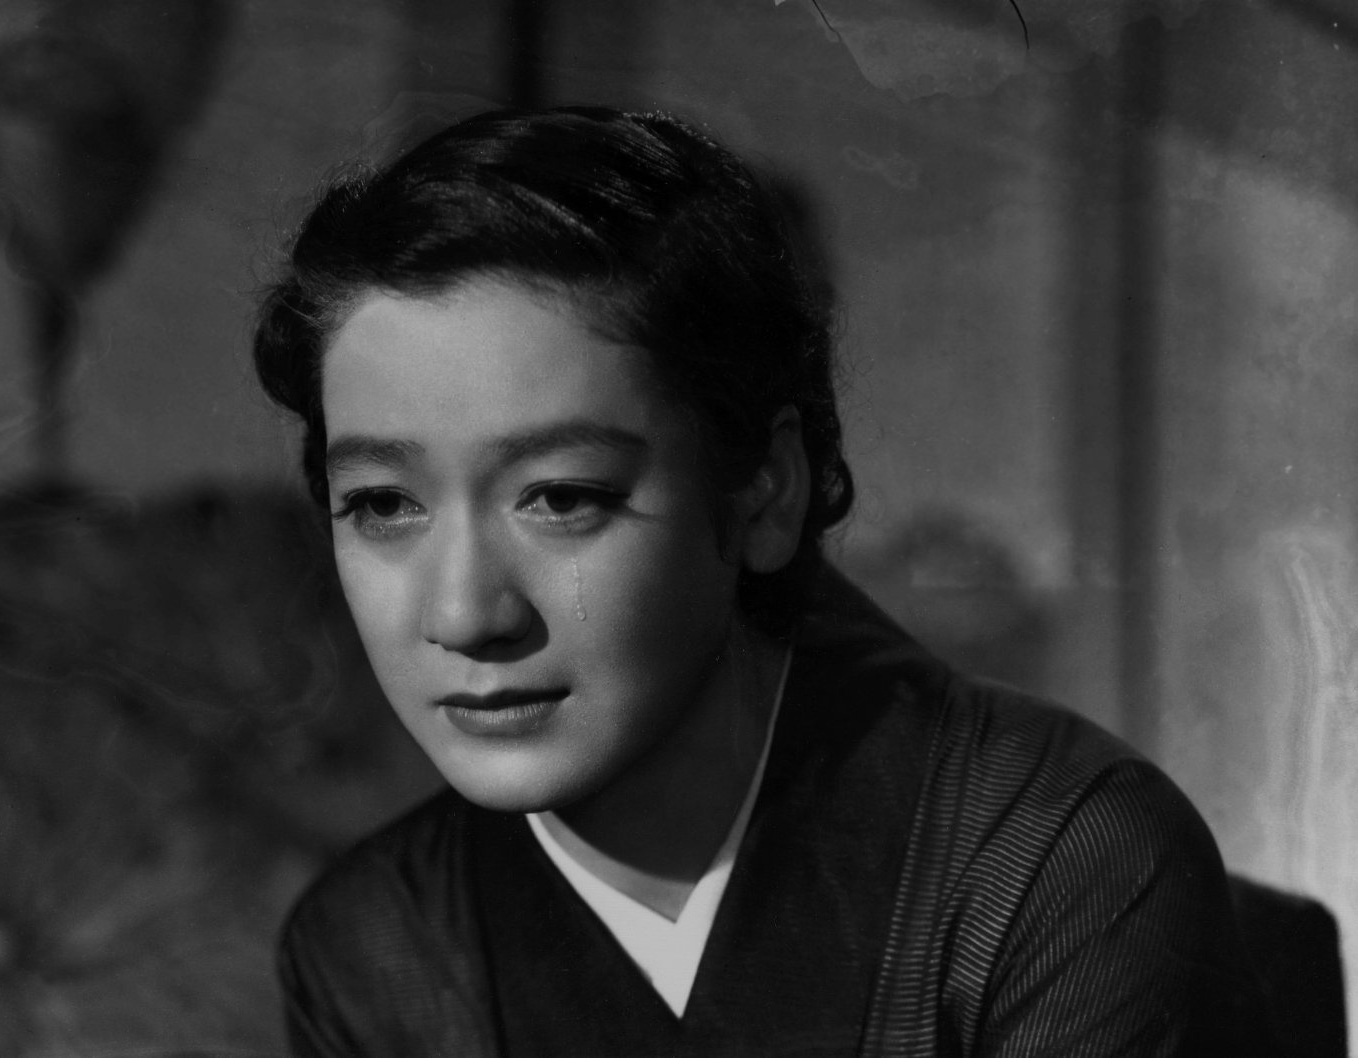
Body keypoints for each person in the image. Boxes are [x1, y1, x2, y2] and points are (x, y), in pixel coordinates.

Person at [252, 106, 1272, 1057]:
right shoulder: (377, 942)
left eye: (562, 497)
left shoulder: (1056, 861)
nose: (465, 612)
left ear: (766, 491)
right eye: (383, 506)